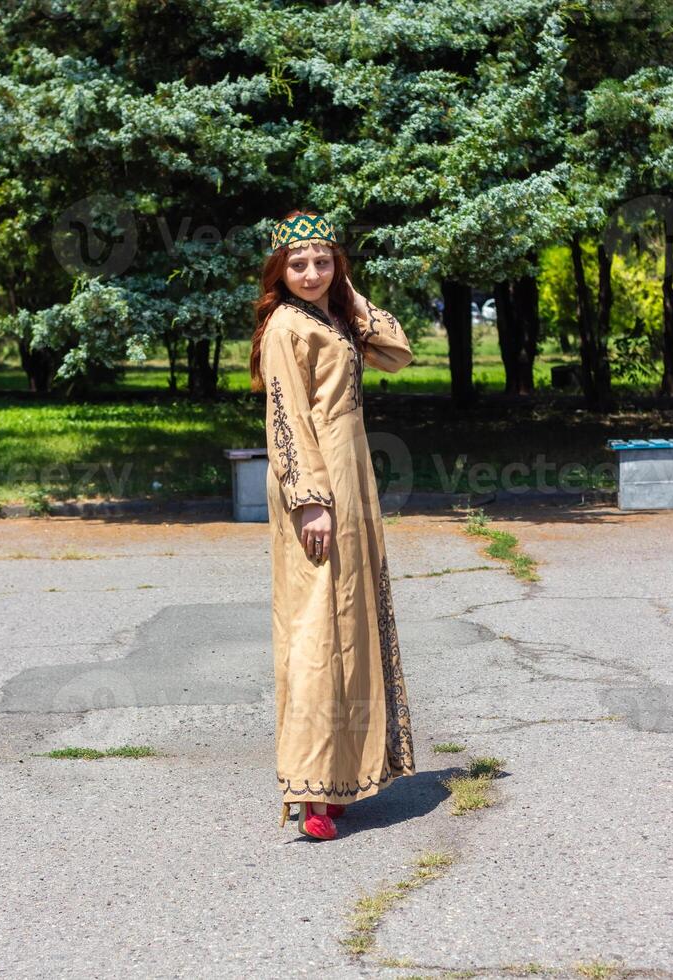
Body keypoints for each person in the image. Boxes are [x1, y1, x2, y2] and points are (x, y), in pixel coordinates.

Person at [249, 209, 416, 841]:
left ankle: (342, 777)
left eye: (323, 261)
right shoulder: (287, 327)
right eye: (298, 264)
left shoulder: (331, 317)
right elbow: (287, 421)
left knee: (352, 620)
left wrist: (347, 295)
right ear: (279, 271)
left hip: (352, 481)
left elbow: (398, 351)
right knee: (319, 624)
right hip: (316, 485)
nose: (311, 272)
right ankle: (311, 794)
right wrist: (310, 499)